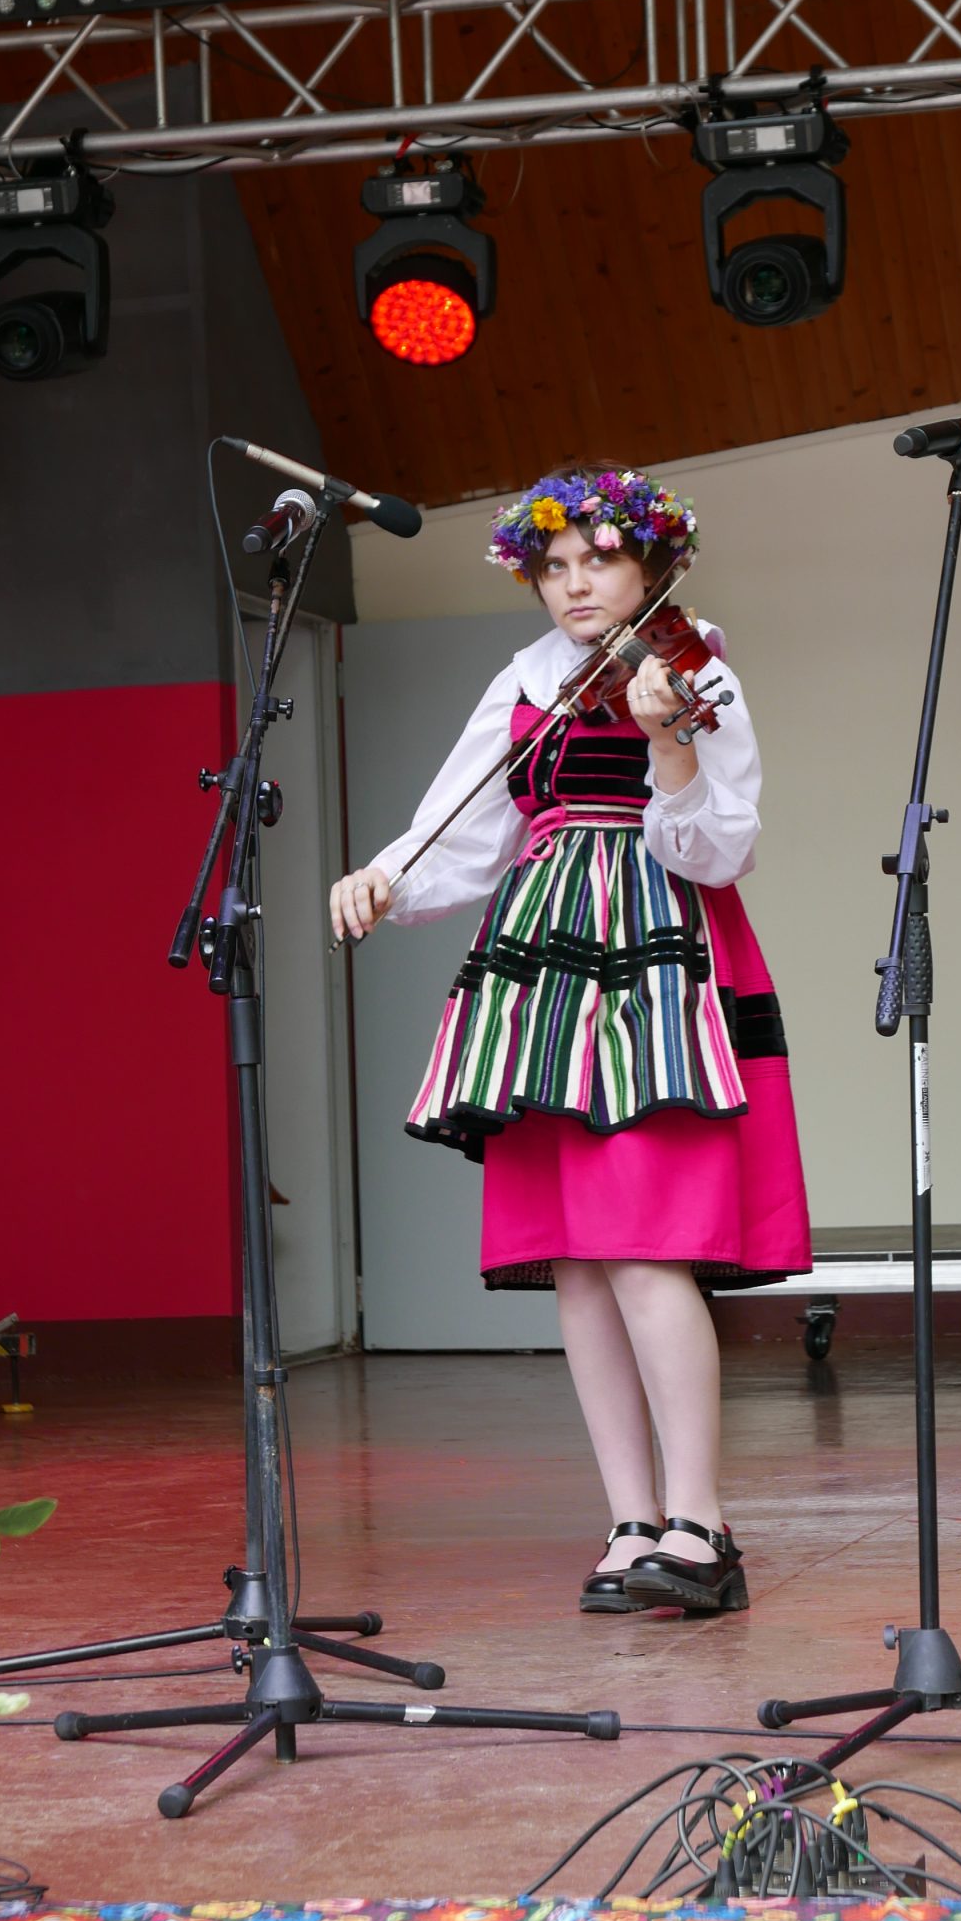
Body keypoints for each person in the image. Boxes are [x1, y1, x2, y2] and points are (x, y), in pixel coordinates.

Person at [329, 467, 811, 1617]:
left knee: (644, 1245)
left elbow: (720, 848)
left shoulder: (692, 664)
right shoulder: (526, 679)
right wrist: (385, 875)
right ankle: (632, 1517)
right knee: (579, 1263)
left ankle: (702, 1521)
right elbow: (466, 821)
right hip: (542, 961)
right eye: (553, 566)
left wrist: (670, 747)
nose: (575, 584)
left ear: (652, 565)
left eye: (599, 559)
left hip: (653, 949)